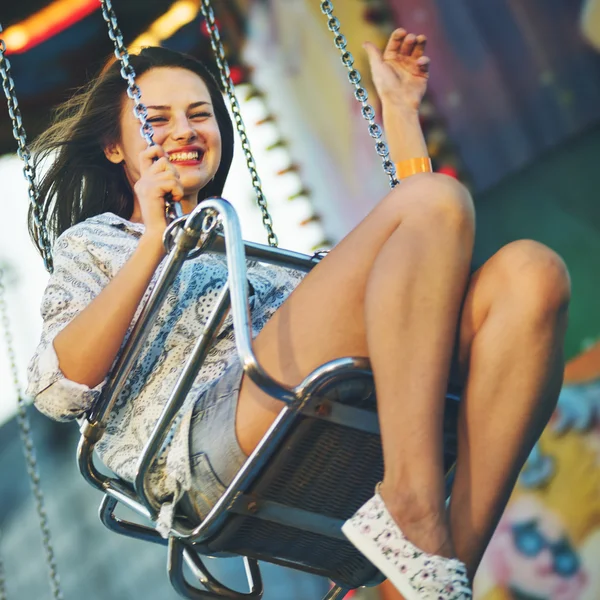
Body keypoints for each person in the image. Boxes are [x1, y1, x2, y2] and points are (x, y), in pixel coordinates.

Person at [25, 28, 570, 600]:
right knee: (433, 199)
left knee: (532, 276)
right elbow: (58, 390)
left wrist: (402, 115)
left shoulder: (254, 262)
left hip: (314, 405)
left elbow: (426, 269)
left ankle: (430, 575)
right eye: (156, 119)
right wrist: (153, 243)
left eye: (200, 115)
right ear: (116, 147)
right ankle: (409, 505)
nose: (184, 131)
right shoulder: (98, 243)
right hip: (201, 444)